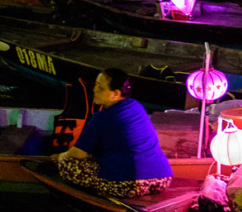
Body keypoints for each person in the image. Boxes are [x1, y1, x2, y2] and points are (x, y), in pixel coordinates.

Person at [53, 69, 172, 197]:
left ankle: (92, 196)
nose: (94, 90)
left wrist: (61, 156)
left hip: (130, 183)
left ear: (115, 94)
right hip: (162, 178)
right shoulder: (136, 106)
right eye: (96, 84)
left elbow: (79, 153)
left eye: (100, 87)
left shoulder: (101, 117)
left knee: (66, 163)